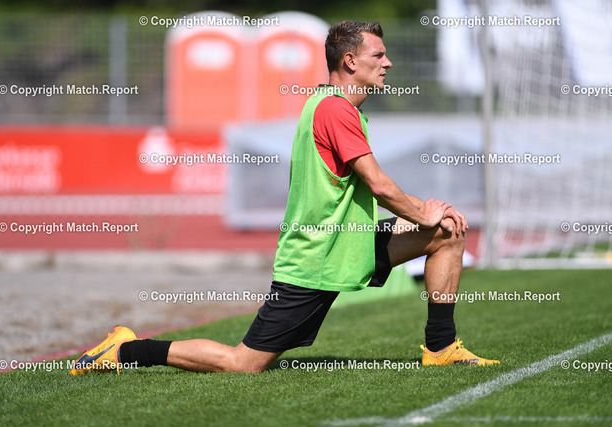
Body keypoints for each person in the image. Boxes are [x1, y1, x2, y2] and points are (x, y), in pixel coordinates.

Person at [71, 20, 498, 376]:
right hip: (315, 259)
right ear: (350, 61)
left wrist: (431, 214)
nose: (388, 63)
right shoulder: (335, 109)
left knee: (447, 233)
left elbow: (371, 186)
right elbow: (379, 186)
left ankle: (441, 348)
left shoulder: (338, 107)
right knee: (243, 364)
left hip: (348, 244)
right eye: (378, 55)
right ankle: (125, 350)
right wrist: (423, 212)